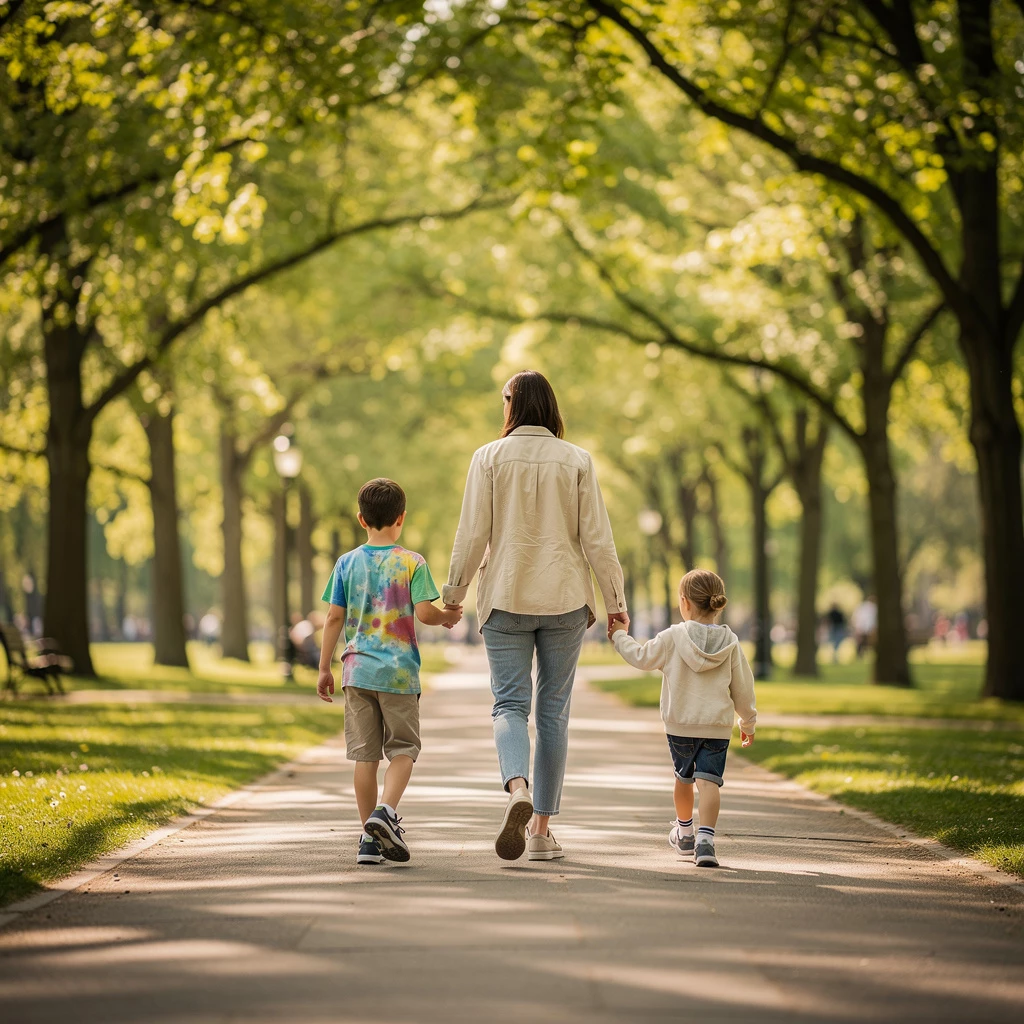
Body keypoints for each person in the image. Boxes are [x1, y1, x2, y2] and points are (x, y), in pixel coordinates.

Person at [444, 370, 627, 862]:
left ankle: (517, 787)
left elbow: (471, 533)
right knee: (553, 713)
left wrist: (454, 594)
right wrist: (616, 603)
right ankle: (542, 832)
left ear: (512, 403)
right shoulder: (577, 460)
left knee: (509, 705)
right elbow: (598, 539)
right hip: (565, 599)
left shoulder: (487, 458)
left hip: (505, 595)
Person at [317, 478, 462, 865]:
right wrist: (448, 617)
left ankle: (369, 841)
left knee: (365, 757)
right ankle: (386, 811)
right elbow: (425, 613)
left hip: (357, 672)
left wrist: (324, 668)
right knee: (403, 749)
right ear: (401, 518)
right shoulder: (412, 562)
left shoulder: (346, 563)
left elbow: (333, 618)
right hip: (398, 674)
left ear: (361, 519)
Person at [610, 569, 756, 868]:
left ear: (685, 602)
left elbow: (641, 657)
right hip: (716, 727)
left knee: (683, 779)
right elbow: (743, 687)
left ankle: (685, 832)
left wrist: (619, 636)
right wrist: (748, 722)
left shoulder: (673, 637)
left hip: (680, 726)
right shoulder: (730, 642)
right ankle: (706, 841)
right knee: (709, 783)